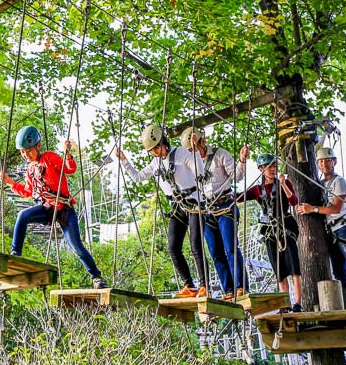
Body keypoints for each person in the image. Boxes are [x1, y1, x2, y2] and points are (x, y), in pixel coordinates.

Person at [115, 124, 217, 298]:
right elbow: (138, 177)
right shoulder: (155, 163)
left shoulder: (182, 153)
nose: (154, 152)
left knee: (195, 245)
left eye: (156, 148)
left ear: (164, 142)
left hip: (194, 203)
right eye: (152, 150)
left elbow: (199, 172)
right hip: (177, 206)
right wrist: (124, 160)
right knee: (173, 247)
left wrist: (194, 152)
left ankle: (204, 286)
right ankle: (189, 285)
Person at [0, 125, 108, 289]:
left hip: (64, 209)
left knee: (76, 247)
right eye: (23, 152)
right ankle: (15, 253)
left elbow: (70, 169)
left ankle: (96, 277)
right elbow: (28, 192)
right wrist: (10, 183)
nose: (26, 155)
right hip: (48, 209)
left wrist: (68, 153)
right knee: (23, 215)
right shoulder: (30, 170)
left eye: (28, 151)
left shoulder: (50, 158)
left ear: (38, 146)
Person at [297, 147, 346, 309]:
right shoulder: (321, 184)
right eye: (320, 161)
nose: (324, 164)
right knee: (339, 272)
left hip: (344, 228)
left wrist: (313, 209)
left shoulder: (339, 182)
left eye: (327, 160)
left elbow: (336, 208)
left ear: (334, 162)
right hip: (330, 232)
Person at [182, 126, 248, 300]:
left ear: (203, 142)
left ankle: (241, 286)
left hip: (225, 206)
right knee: (215, 252)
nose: (192, 153)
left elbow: (237, 176)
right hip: (207, 210)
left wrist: (242, 160)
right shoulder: (192, 164)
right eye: (189, 151)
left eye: (194, 149)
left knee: (230, 248)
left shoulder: (220, 155)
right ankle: (229, 290)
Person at [236, 153, 303, 312]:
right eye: (268, 167)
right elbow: (238, 198)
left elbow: (294, 202)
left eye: (274, 166)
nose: (272, 169)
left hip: (286, 228)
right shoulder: (257, 190)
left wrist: (283, 184)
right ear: (261, 169)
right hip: (269, 231)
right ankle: (285, 304)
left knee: (294, 268)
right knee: (280, 271)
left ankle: (298, 303)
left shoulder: (284, 182)